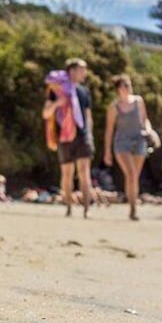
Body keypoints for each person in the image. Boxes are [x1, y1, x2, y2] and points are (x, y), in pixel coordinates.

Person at [43, 58, 94, 218]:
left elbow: (88, 116)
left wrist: (90, 136)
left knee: (85, 173)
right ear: (71, 71)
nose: (84, 73)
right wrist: (58, 103)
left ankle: (87, 209)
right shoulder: (56, 89)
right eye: (81, 69)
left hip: (82, 135)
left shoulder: (84, 91)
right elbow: (45, 113)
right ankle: (69, 208)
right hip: (64, 137)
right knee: (67, 174)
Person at [103, 74, 153, 221]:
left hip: (139, 140)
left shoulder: (138, 101)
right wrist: (107, 152)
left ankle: (132, 206)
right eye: (125, 85)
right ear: (118, 89)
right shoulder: (114, 108)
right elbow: (109, 130)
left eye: (129, 85)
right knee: (131, 174)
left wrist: (149, 131)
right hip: (122, 143)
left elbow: (145, 120)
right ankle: (133, 209)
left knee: (134, 177)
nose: (128, 88)